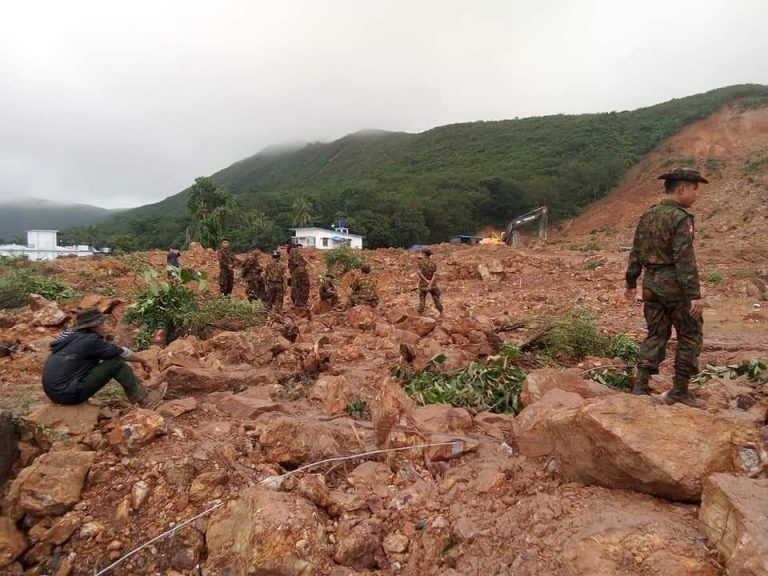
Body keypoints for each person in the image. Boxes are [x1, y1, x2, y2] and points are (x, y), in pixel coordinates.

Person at [625, 167, 709, 409]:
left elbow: (636, 252)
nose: (695, 195)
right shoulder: (681, 218)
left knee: (656, 334)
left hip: (651, 284)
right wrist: (694, 295)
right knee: (690, 336)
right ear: (681, 189)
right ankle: (680, 392)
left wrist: (631, 281)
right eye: (694, 190)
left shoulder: (647, 216)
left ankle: (640, 386)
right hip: (675, 286)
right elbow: (685, 259)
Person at [42, 308, 166, 407]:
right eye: (103, 323)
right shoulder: (90, 341)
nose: (106, 327)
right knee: (116, 362)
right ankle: (144, 400)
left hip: (53, 392)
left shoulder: (71, 335)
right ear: (94, 326)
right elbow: (121, 353)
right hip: (67, 394)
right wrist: (143, 360)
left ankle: (141, 391)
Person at [417, 247, 443, 315]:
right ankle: (441, 312)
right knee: (436, 298)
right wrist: (430, 282)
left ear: (424, 253)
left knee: (422, 298)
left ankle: (420, 312)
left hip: (423, 284)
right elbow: (435, 274)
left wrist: (426, 281)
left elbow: (419, 273)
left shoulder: (420, 262)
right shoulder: (433, 263)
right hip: (432, 284)